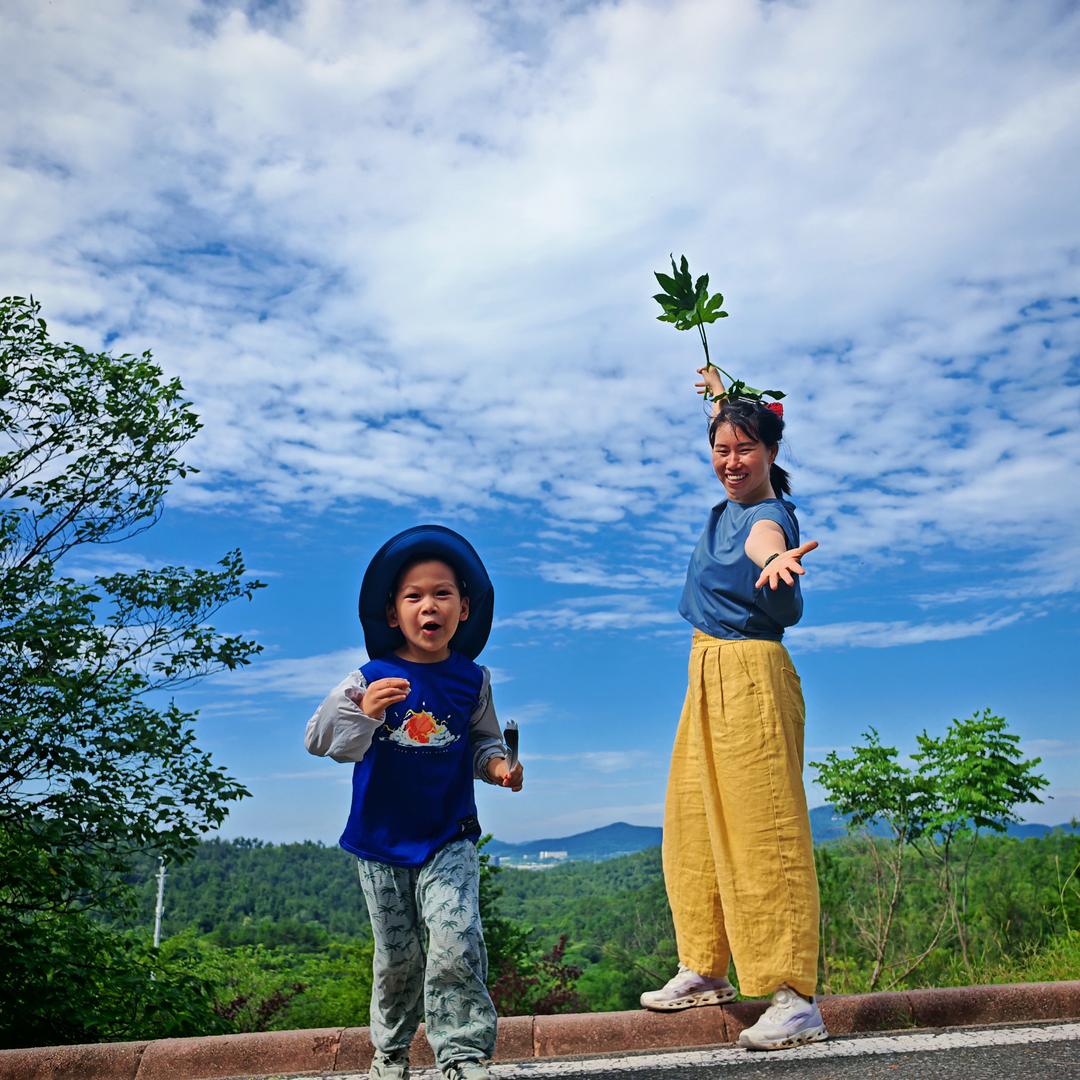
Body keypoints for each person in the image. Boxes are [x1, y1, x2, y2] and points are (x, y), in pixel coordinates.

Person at [639, 366, 827, 1051]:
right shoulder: (728, 500)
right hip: (705, 669)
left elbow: (765, 542)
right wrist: (721, 393)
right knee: (691, 822)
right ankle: (705, 967)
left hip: (750, 672)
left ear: (772, 452)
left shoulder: (767, 517)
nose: (731, 461)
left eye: (746, 449)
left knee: (762, 829)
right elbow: (733, 420)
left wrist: (775, 563)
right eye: (721, 449)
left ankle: (794, 998)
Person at [305, 525, 523, 1080]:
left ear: (464, 609)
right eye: (414, 596)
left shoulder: (472, 680)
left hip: (449, 835)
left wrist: (499, 768)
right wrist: (363, 711)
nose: (430, 605)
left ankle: (463, 1054)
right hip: (380, 842)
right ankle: (390, 1054)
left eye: (443, 593)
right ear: (393, 613)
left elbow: (482, 744)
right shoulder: (369, 678)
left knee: (456, 941)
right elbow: (321, 741)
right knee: (398, 957)